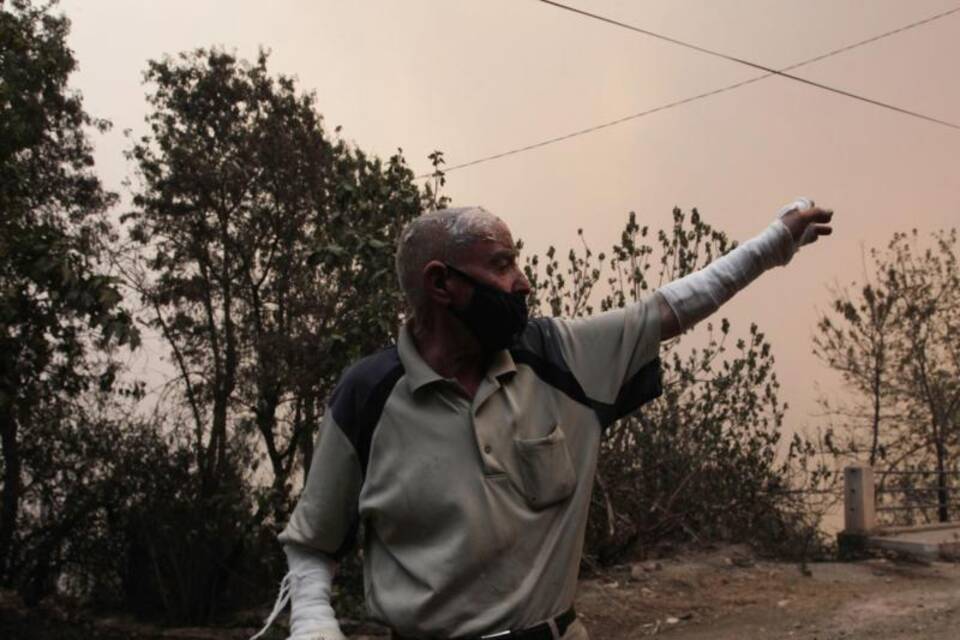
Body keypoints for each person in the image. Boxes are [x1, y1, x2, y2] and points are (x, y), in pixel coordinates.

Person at [253, 200, 834, 640]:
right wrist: (311, 621)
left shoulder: (557, 358)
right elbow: (313, 543)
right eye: (502, 265)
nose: (522, 282)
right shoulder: (369, 395)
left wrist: (772, 245)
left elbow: (668, 307)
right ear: (441, 284)